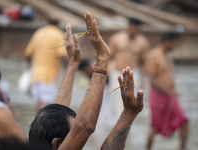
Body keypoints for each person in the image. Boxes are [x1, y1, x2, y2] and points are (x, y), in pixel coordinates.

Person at [29, 11, 144, 150]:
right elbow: (84, 127)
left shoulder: (37, 142)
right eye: (72, 134)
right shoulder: (117, 38)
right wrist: (102, 58)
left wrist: (73, 63)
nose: (77, 136)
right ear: (58, 144)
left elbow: (56, 112)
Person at [146, 32, 189, 150]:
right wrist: (168, 91)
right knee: (154, 127)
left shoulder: (168, 56)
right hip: (158, 96)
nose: (175, 45)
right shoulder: (154, 55)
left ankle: (183, 147)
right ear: (167, 41)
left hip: (170, 97)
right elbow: (153, 80)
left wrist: (171, 92)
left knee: (184, 120)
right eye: (174, 42)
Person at [108, 17, 150, 123]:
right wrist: (107, 72)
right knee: (115, 99)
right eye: (132, 27)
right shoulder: (117, 38)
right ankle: (115, 122)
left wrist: (143, 79)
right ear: (129, 26)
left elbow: (145, 61)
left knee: (131, 100)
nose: (134, 30)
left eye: (136, 28)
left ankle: (127, 122)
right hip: (117, 72)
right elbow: (109, 57)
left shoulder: (143, 42)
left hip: (133, 73)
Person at [24, 14, 66, 110]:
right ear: (58, 24)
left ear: (47, 22)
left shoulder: (38, 33)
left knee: (39, 102)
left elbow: (27, 54)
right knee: (45, 104)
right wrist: (67, 68)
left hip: (35, 74)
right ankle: (41, 125)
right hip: (49, 75)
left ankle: (37, 124)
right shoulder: (58, 34)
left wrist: (28, 66)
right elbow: (62, 55)